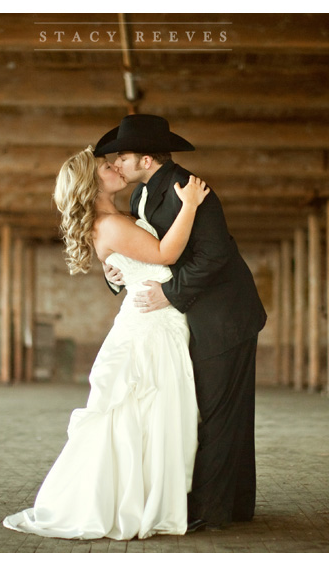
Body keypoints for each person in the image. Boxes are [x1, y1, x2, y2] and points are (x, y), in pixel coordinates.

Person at [2, 146, 210, 540]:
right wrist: (191, 205)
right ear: (92, 182)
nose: (116, 167)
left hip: (155, 320)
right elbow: (166, 252)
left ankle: (148, 498)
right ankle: (140, 502)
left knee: (148, 415)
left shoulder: (118, 218)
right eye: (106, 166)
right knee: (145, 413)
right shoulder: (111, 225)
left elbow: (136, 263)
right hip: (149, 328)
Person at [94, 114, 267, 531]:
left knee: (219, 413)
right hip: (192, 317)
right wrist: (115, 272)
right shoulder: (140, 196)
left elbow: (214, 256)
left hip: (225, 315)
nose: (118, 162)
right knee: (210, 412)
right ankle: (234, 505)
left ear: (147, 159)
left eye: (124, 156)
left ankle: (212, 510)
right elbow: (141, 251)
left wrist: (168, 294)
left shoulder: (190, 190)